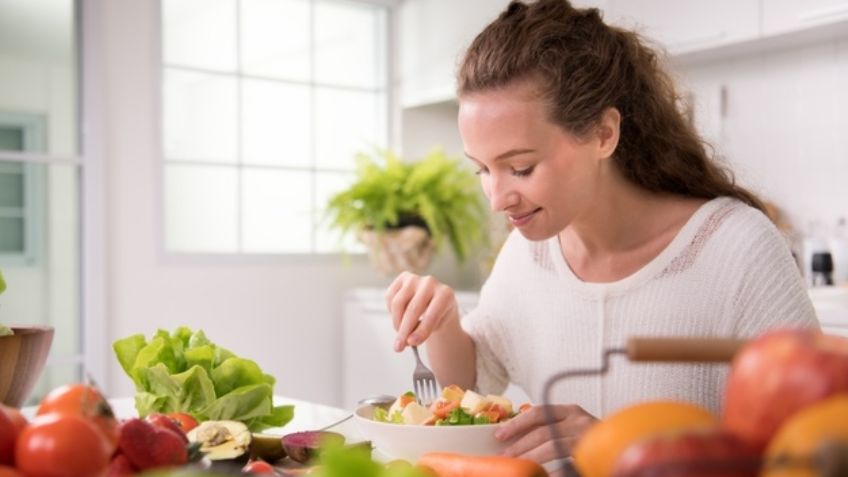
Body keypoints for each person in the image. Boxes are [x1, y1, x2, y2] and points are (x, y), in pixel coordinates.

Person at [384, 0, 819, 471]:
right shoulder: (528, 256)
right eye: (482, 170)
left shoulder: (735, 248)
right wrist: (444, 321)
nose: (497, 198)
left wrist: (612, 444)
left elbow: (813, 454)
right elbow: (470, 386)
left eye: (521, 168)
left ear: (603, 134)